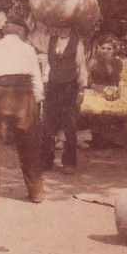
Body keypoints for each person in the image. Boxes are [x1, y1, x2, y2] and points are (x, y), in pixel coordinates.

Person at [0, 20, 45, 205]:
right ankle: (36, 192)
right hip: (24, 96)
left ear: (4, 33)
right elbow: (36, 77)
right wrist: (35, 101)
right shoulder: (28, 49)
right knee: (30, 144)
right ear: (20, 33)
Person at [40, 25, 88, 175]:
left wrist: (82, 87)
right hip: (53, 85)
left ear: (71, 26)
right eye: (61, 25)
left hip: (69, 85)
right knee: (49, 123)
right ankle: (46, 161)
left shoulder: (77, 43)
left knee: (69, 124)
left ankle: (69, 163)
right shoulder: (51, 40)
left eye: (66, 25)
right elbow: (46, 60)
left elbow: (81, 65)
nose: (63, 29)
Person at [85, 34, 126, 148]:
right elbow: (86, 78)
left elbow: (115, 79)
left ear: (113, 50)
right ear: (99, 48)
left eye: (109, 49)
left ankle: (113, 140)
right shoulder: (93, 61)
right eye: (103, 48)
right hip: (95, 91)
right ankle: (96, 138)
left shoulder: (117, 62)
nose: (105, 51)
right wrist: (92, 85)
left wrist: (108, 64)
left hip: (110, 92)